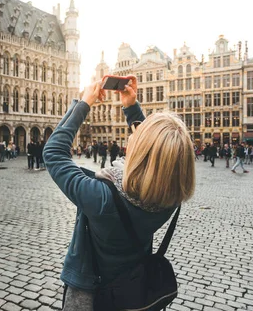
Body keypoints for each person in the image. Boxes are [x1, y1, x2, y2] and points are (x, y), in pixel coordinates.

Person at [43, 76, 195, 310]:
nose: (133, 136)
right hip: (134, 287)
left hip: (91, 294)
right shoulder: (171, 196)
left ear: (141, 150)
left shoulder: (102, 198)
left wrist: (84, 103)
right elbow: (155, 159)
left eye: (138, 138)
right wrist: (131, 107)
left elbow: (53, 153)